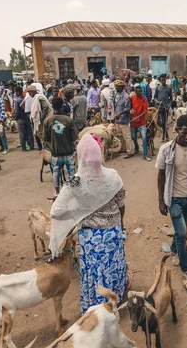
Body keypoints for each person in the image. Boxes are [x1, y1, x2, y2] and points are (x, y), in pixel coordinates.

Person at [49, 134, 128, 314]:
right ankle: (115, 297)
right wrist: (120, 226)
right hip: (114, 232)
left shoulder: (74, 184)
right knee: (114, 265)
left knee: (95, 272)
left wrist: (78, 210)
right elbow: (121, 204)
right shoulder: (113, 176)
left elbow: (56, 211)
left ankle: (97, 308)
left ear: (80, 158)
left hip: (91, 239)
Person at [156, 115, 187, 290]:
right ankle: (186, 271)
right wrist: (161, 200)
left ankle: (174, 249)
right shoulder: (166, 149)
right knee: (183, 234)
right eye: (184, 133)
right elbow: (161, 175)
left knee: (180, 231)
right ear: (177, 130)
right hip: (174, 198)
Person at [43, 97, 78, 198]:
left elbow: (46, 139)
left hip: (55, 153)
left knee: (56, 172)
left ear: (52, 107)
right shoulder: (68, 120)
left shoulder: (47, 121)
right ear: (62, 106)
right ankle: (74, 192)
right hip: (68, 152)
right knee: (72, 172)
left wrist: (53, 146)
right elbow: (74, 137)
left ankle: (57, 192)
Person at [113, 80, 134, 159]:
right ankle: (123, 148)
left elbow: (128, 108)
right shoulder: (116, 95)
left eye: (118, 87)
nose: (116, 88)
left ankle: (130, 151)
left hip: (124, 119)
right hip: (118, 119)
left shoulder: (126, 96)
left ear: (122, 87)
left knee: (127, 136)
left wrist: (120, 114)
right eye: (116, 87)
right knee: (120, 135)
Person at [130, 86, 152, 161]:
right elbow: (129, 107)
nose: (141, 93)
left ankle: (145, 154)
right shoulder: (132, 98)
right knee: (133, 137)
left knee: (144, 137)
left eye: (141, 91)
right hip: (133, 121)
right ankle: (136, 148)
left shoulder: (144, 98)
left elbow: (145, 111)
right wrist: (130, 110)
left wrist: (137, 117)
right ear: (135, 92)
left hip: (142, 121)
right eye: (139, 92)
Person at [27, 85, 51, 151]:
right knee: (40, 134)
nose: (29, 94)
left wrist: (41, 118)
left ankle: (47, 147)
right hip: (39, 119)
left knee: (42, 134)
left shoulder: (39, 97)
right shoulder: (36, 97)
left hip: (42, 120)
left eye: (29, 92)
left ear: (32, 92)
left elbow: (46, 107)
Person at [13, 86, 34, 151]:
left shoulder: (17, 101)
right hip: (27, 117)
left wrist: (15, 117)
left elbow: (16, 112)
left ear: (18, 92)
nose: (15, 93)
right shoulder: (26, 99)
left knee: (22, 134)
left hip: (20, 119)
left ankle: (24, 148)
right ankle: (31, 146)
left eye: (15, 92)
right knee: (29, 133)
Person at [154, 75, 173, 142]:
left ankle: (164, 137)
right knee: (159, 122)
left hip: (166, 108)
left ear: (166, 80)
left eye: (164, 80)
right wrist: (158, 102)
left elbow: (171, 99)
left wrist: (168, 105)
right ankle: (167, 136)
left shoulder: (169, 88)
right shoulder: (158, 87)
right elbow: (155, 98)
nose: (163, 81)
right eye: (162, 80)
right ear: (160, 80)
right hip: (159, 107)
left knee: (164, 122)